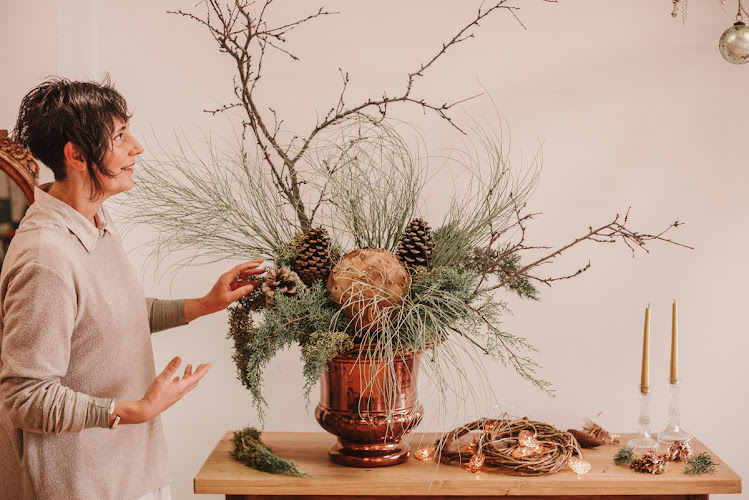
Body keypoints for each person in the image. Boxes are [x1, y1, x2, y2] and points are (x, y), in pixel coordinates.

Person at [0, 78, 264, 500]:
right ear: (76, 154)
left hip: (132, 470)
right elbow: (24, 396)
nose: (136, 146)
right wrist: (132, 410)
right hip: (81, 486)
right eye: (120, 136)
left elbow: (104, 315)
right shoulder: (45, 258)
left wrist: (202, 304)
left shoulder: (94, 222)